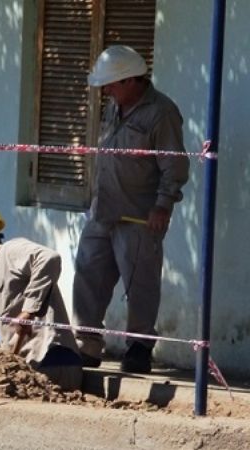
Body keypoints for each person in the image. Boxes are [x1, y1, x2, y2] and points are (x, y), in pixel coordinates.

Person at [72, 45, 190, 374]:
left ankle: (139, 346)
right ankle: (87, 343)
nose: (106, 91)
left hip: (139, 215)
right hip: (103, 210)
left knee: (140, 283)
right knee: (88, 274)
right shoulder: (115, 106)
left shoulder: (161, 112)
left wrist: (162, 205)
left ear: (130, 81)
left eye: (110, 84)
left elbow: (174, 166)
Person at [0, 206, 82, 391]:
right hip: (34, 366)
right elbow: (0, 328)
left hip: (52, 359)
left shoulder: (10, 251)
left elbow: (49, 258)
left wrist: (29, 310)